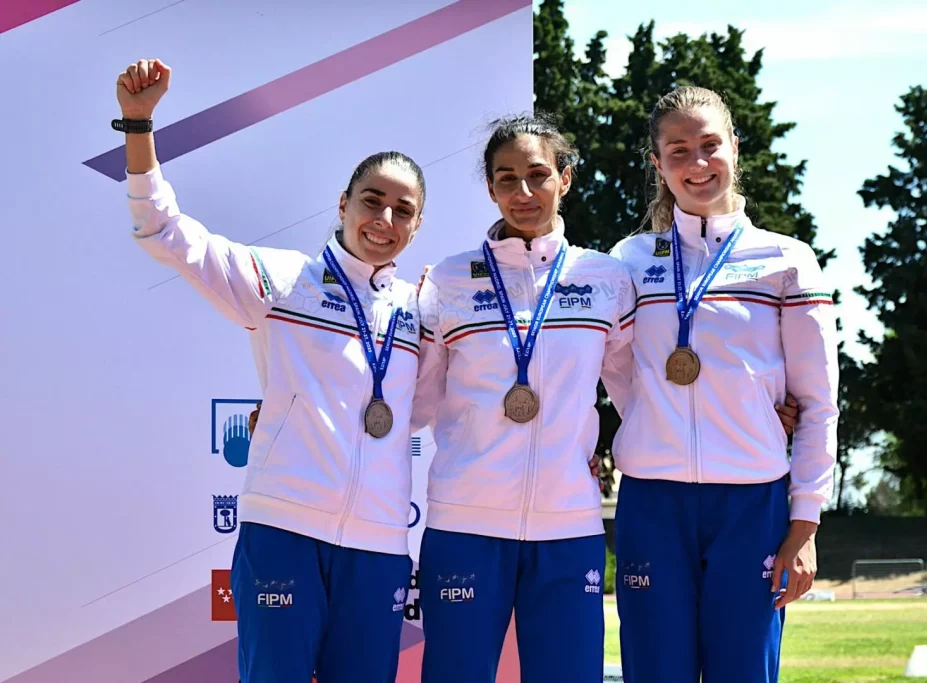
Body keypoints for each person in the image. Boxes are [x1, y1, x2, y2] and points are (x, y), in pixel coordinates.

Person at [408, 114, 801, 683]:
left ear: (564, 178)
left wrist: (754, 410)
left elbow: (642, 384)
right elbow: (413, 402)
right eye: (506, 179)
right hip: (464, 521)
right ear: (490, 188)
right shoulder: (447, 282)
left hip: (569, 526)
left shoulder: (606, 279)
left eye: (538, 174)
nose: (523, 192)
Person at [117, 58, 425, 683]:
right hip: (284, 529)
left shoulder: (422, 312)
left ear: (417, 226)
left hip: (380, 544)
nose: (385, 221)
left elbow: (466, 393)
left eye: (403, 210)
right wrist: (139, 125)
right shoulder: (284, 281)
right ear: (343, 204)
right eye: (372, 201)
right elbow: (163, 231)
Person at [607, 85, 840, 683]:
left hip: (752, 504)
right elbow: (617, 372)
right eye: (678, 150)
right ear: (657, 163)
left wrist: (805, 525)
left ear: (735, 147)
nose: (698, 163)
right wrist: (663, 418)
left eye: (710, 145)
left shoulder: (788, 260)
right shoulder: (627, 261)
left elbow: (818, 404)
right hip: (652, 502)